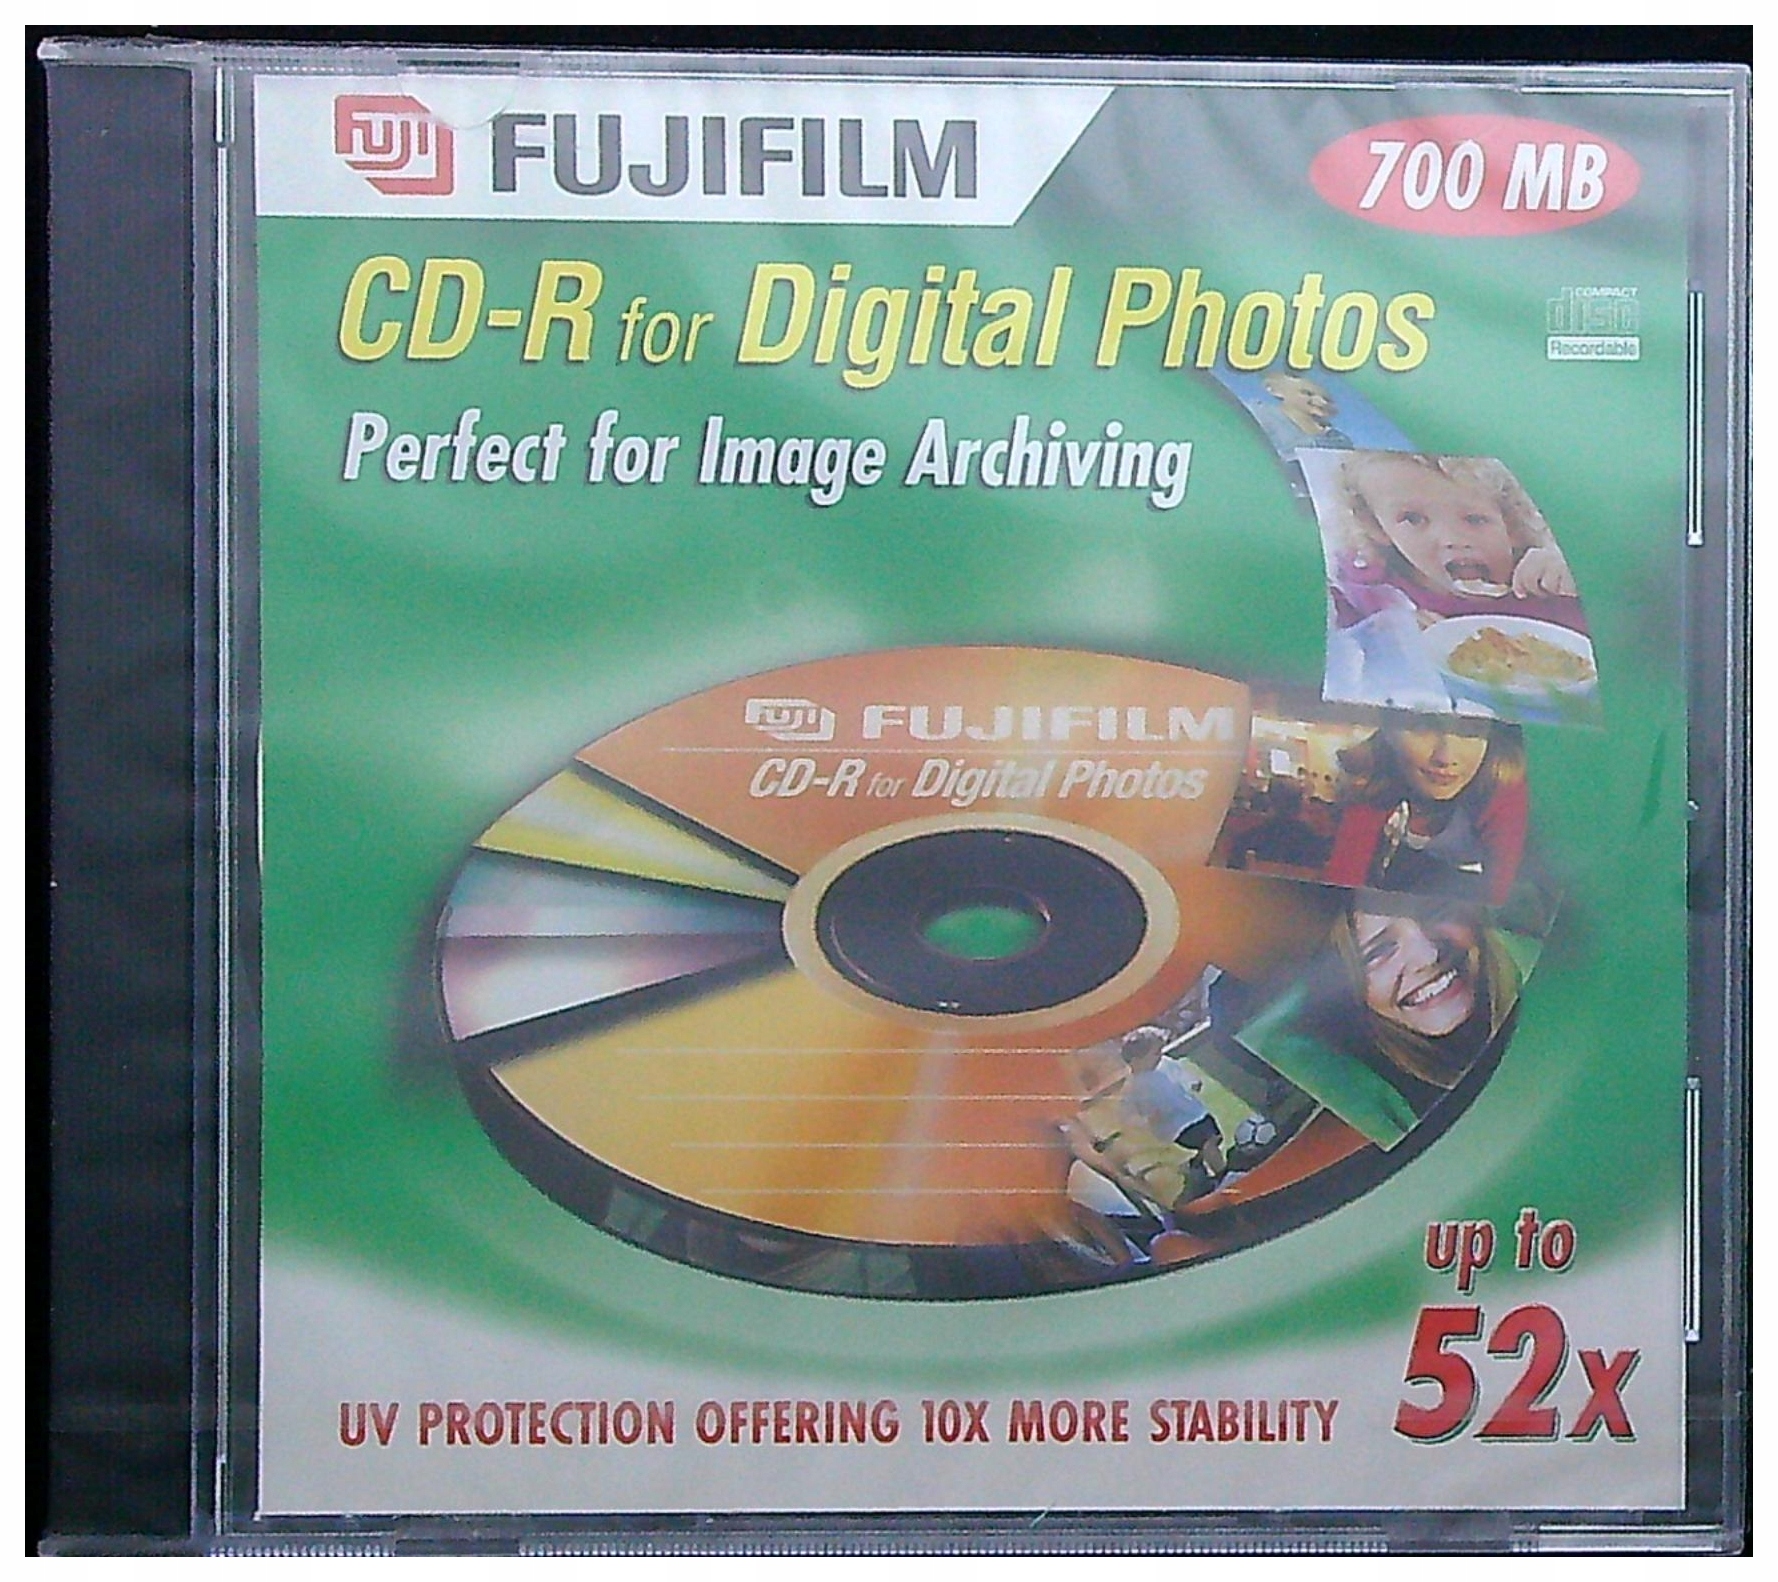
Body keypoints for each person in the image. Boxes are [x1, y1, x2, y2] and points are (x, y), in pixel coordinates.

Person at [1235, 895, 1528, 1148]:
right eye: (1379, 951)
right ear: (1344, 990)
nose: (1428, 956)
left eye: (1434, 913)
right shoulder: (1387, 1109)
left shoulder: (1536, 975)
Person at [1328, 452, 1586, 633]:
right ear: (1375, 527)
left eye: (1474, 519)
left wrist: (1583, 576)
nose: (1451, 539)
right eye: (1413, 519)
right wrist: (1386, 634)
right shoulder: (1367, 584)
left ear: (1512, 524)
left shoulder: (1552, 588)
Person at [1322, 720, 1527, 905]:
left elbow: (1502, 904)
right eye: (1423, 727)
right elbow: (1341, 887)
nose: (1445, 758)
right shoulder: (1373, 780)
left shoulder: (1503, 785)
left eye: (1470, 729)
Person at [1253, 371, 1355, 453]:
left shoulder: (1339, 439)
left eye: (1327, 399)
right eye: (1308, 393)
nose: (1320, 402)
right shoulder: (1261, 416)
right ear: (1274, 390)